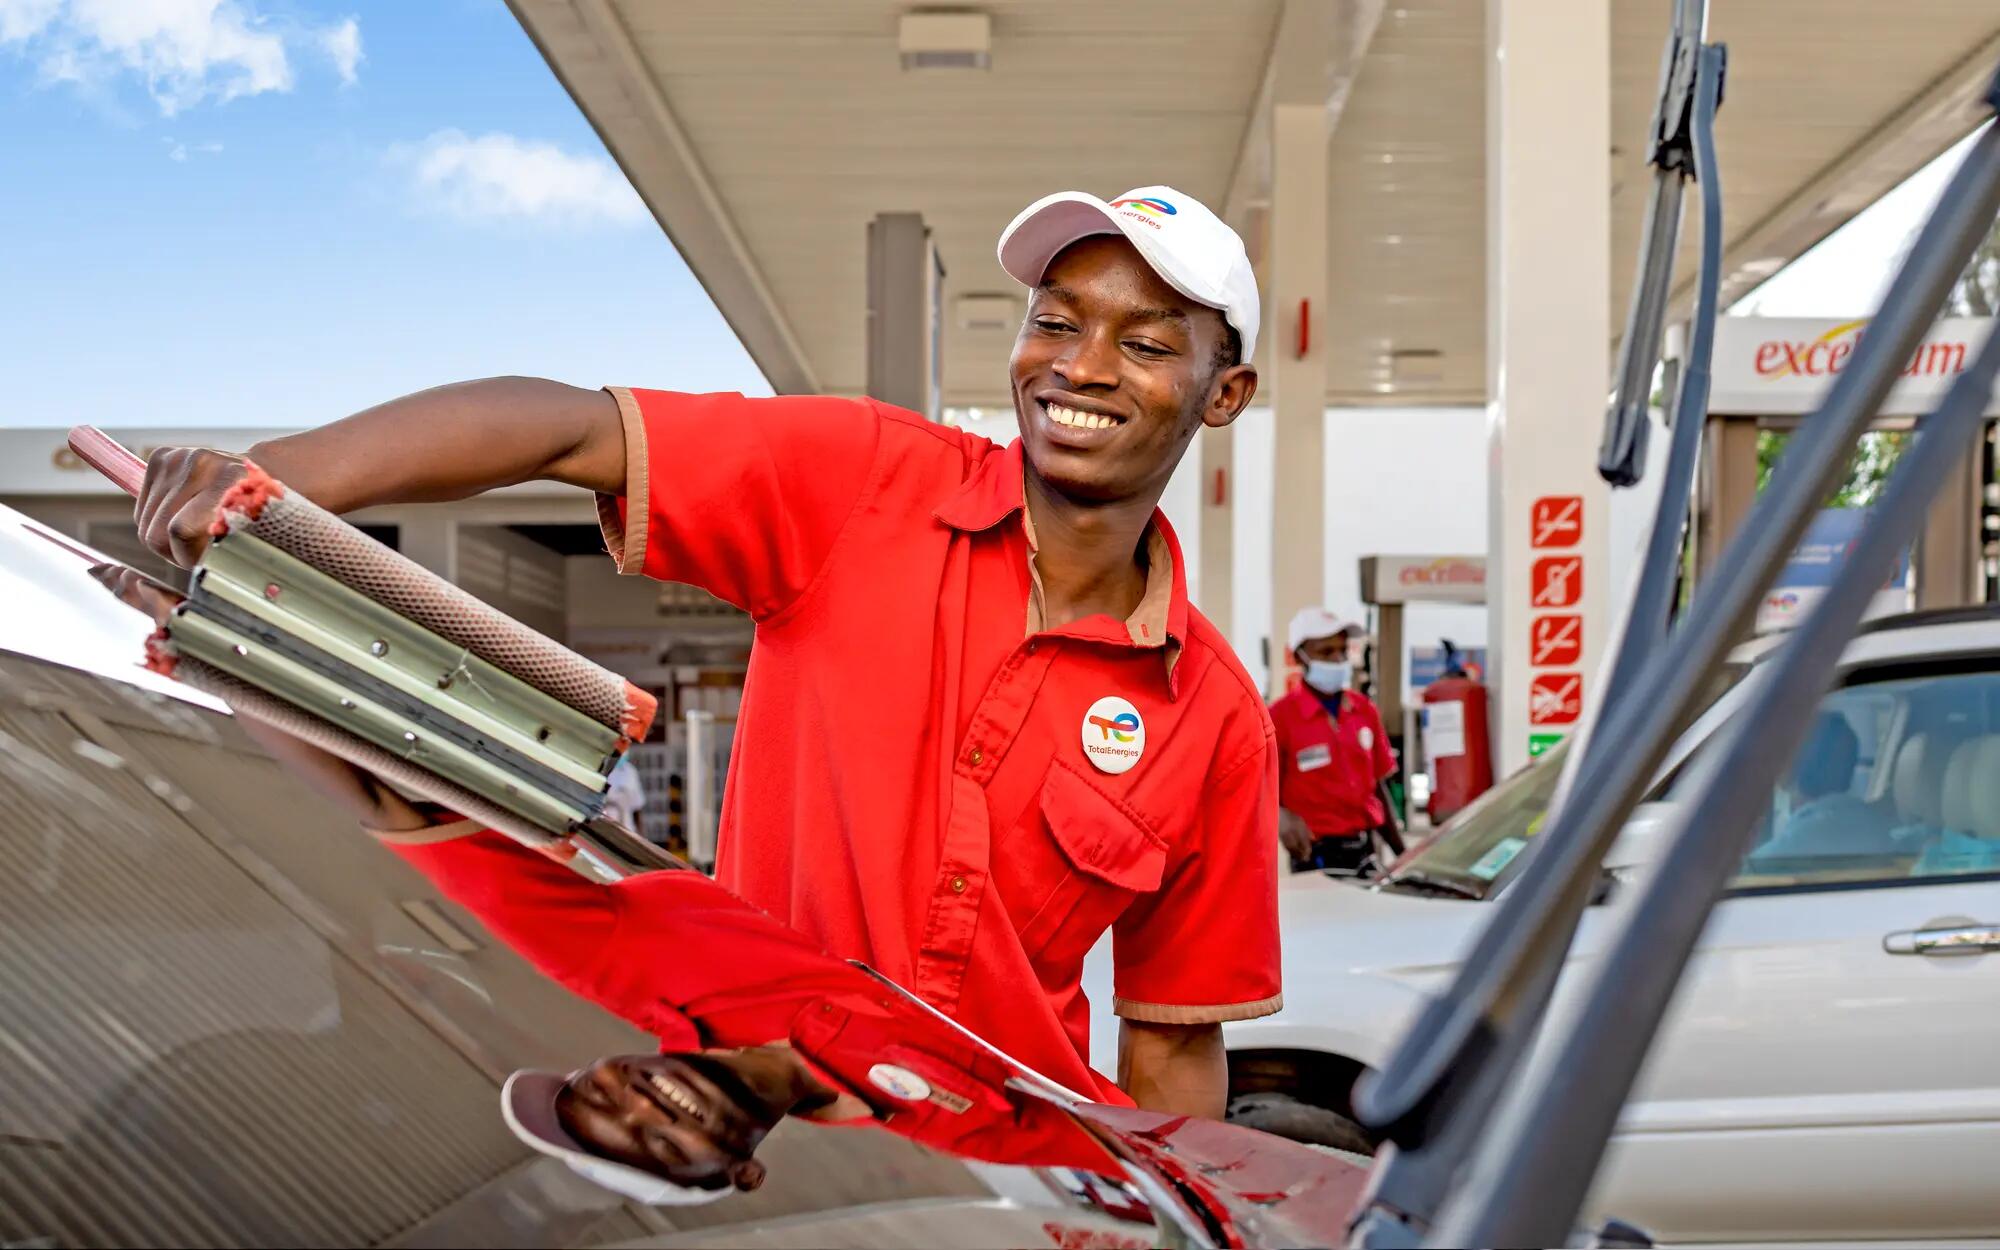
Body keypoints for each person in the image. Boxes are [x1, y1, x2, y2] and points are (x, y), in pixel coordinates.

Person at [130, 187, 1280, 1146]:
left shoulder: (1215, 719)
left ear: (1221, 394)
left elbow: (1173, 1041)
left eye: (1143, 343)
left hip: (1002, 1184)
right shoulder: (864, 487)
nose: (1078, 367)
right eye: (1052, 320)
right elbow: (566, 427)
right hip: (750, 1140)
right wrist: (270, 479)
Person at [1269, 607, 1399, 875]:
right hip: (1314, 856)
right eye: (1326, 652)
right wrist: (1279, 817)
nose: (1338, 659)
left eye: (1342, 650)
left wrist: (1402, 854)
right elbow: (1262, 789)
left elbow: (1379, 786)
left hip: (1367, 849)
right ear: (1299, 657)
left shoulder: (1364, 710)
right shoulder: (1280, 718)